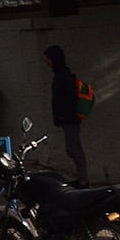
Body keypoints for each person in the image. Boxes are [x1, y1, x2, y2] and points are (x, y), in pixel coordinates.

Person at [43, 45, 88, 187]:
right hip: (67, 118)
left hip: (69, 119)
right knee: (72, 148)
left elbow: (67, 97)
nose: (46, 61)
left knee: (74, 148)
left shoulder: (63, 74)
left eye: (48, 58)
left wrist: (63, 115)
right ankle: (81, 178)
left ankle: (83, 180)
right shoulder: (61, 73)